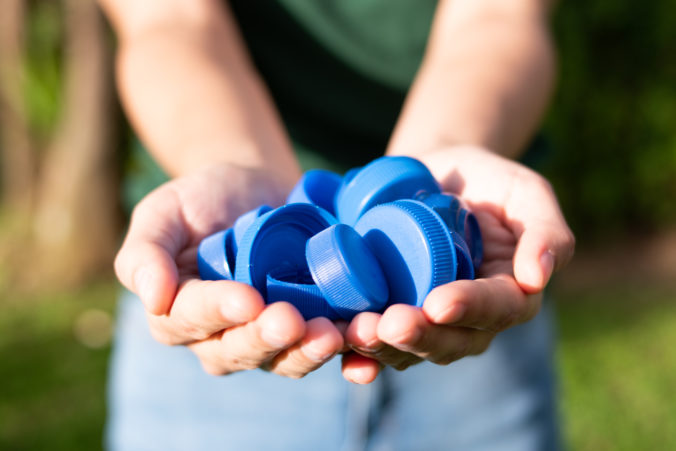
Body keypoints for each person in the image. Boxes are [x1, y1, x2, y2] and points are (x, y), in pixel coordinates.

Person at [99, 0, 575, 449]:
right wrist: (232, 161)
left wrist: (446, 154)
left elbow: (497, 16)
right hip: (205, 310)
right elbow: (169, 21)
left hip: (475, 352)